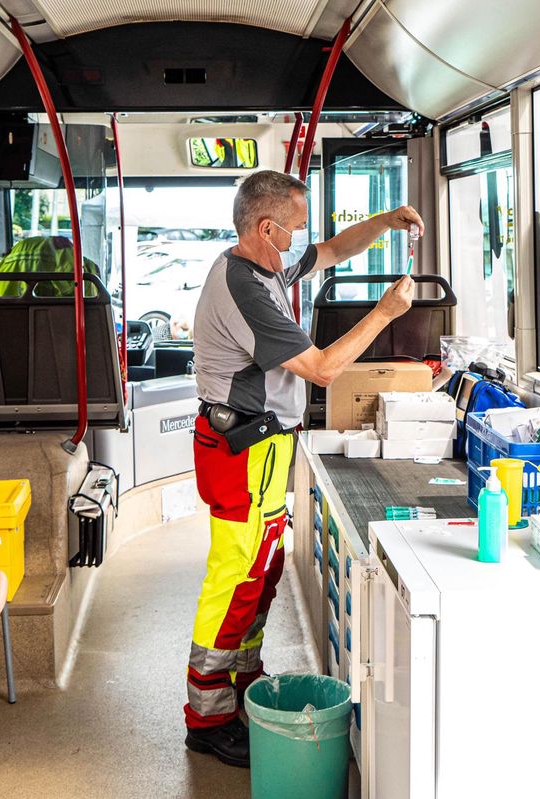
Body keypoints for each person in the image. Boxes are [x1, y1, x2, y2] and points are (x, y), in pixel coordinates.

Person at [184, 170, 423, 767]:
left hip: (262, 448)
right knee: (235, 578)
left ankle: (242, 681)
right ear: (266, 229)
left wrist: (387, 221)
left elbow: (337, 248)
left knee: (259, 574)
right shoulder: (246, 289)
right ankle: (206, 719)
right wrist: (386, 312)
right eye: (292, 229)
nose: (300, 240)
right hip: (242, 451)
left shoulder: (266, 266)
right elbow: (321, 369)